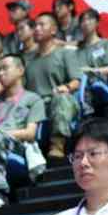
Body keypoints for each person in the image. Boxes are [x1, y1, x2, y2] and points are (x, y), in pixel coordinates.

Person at [0, 53, 47, 208]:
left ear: (20, 70)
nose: (0, 74)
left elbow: (30, 133)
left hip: (17, 145)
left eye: (5, 68)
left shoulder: (32, 99)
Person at [26, 12, 83, 159]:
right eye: (35, 26)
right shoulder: (28, 60)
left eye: (41, 25)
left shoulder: (65, 53)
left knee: (61, 98)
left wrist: (66, 87)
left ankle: (57, 144)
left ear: (53, 30)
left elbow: (76, 81)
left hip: (56, 100)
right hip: (35, 106)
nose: (37, 28)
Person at [76, 9, 108, 115]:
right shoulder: (78, 49)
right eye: (83, 21)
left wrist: (92, 70)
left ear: (97, 23)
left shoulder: (105, 43)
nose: (86, 23)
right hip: (84, 84)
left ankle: (86, 105)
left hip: (102, 82)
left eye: (89, 19)